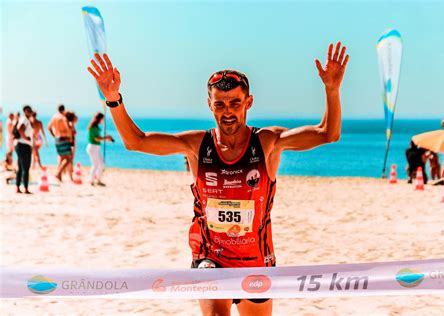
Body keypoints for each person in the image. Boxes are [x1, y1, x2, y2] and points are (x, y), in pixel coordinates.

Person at [87, 42, 348, 316]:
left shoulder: (267, 142)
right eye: (220, 104)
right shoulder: (196, 145)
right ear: (209, 104)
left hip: (256, 261)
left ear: (249, 103)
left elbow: (327, 133)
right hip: (211, 260)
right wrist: (113, 99)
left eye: (235, 102)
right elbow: (135, 141)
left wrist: (332, 89)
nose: (227, 111)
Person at [86, 112, 114, 186]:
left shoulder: (96, 127)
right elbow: (97, 138)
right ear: (100, 119)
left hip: (95, 148)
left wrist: (106, 138)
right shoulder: (94, 127)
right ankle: (91, 181)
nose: (103, 120)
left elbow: (98, 138)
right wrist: (106, 138)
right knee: (95, 165)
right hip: (93, 147)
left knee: (101, 164)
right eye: (102, 119)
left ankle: (98, 180)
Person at [47, 104, 73, 181]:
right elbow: (67, 129)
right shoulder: (63, 118)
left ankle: (60, 176)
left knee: (61, 158)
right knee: (69, 158)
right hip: (64, 138)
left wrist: (54, 135)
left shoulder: (54, 117)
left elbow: (49, 127)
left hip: (57, 138)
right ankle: (58, 173)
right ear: (63, 110)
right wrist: (70, 138)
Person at [14, 105, 34, 194]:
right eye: (28, 110)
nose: (30, 112)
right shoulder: (24, 119)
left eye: (30, 110)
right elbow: (20, 129)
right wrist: (26, 138)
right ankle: (25, 188)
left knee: (21, 167)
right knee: (26, 167)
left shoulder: (24, 119)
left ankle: (18, 187)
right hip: (23, 145)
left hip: (21, 145)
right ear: (25, 111)